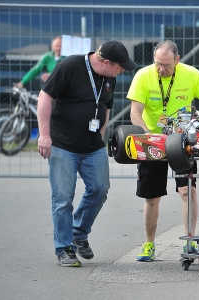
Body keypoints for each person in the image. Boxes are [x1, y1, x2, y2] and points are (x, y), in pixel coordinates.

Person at [37, 40, 137, 267]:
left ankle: (79, 232)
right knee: (63, 199)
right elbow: (45, 97)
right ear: (105, 62)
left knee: (100, 189)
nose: (122, 70)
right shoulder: (70, 66)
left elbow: (106, 106)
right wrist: (44, 135)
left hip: (93, 146)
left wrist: (100, 132)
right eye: (120, 66)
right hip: (63, 144)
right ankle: (64, 248)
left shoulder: (110, 75)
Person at [127, 40, 199, 262]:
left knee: (188, 192)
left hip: (182, 142)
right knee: (152, 197)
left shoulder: (191, 74)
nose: (161, 69)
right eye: (157, 64)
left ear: (177, 60)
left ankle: (190, 242)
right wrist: (149, 138)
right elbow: (135, 113)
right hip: (154, 142)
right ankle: (149, 244)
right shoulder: (143, 75)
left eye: (166, 65)